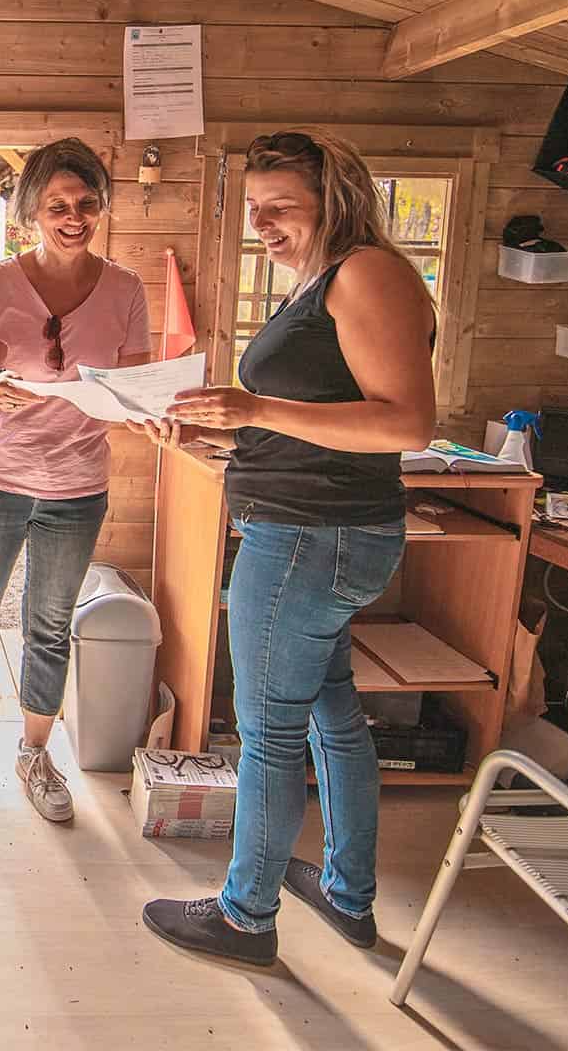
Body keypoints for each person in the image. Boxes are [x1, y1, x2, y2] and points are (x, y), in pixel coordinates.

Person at [137, 129, 436, 965]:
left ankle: (246, 917)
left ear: (333, 201)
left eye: (281, 208)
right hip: (317, 533)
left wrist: (256, 409)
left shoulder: (367, 273)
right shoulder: (321, 281)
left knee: (269, 732)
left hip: (311, 540)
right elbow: (305, 432)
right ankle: (346, 894)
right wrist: (204, 436)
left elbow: (408, 423)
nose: (262, 224)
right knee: (333, 715)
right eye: (254, 209)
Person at [0, 137, 150, 822]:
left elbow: (134, 392)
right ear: (31, 214)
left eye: (86, 203)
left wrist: (153, 413)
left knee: (49, 625)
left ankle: (35, 752)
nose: (74, 217)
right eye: (57, 206)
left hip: (77, 487)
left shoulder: (126, 289)